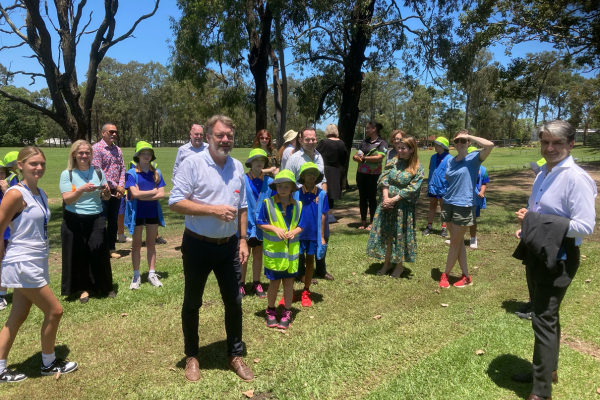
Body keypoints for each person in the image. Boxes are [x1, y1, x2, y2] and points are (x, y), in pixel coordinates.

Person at [511, 121, 596, 400]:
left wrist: (536, 222)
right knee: (544, 315)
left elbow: (584, 227)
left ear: (571, 144)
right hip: (537, 251)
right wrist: (528, 225)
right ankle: (547, 371)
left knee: (543, 318)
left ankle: (542, 391)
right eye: (545, 142)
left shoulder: (576, 177)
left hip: (559, 255)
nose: (550, 148)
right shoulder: (544, 173)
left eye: (557, 143)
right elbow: (540, 210)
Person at [169, 114, 254, 383]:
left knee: (234, 302)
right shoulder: (192, 164)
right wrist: (212, 210)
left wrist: (242, 239)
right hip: (197, 245)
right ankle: (192, 356)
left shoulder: (238, 166)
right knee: (192, 303)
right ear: (208, 137)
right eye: (220, 135)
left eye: (229, 135)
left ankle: (235, 354)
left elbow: (242, 207)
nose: (225, 140)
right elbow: (175, 202)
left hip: (229, 247)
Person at [0, 147, 78, 383]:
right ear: (20, 165)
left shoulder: (42, 194)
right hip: (22, 262)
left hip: (37, 260)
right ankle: (48, 362)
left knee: (17, 316)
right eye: (33, 163)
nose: (39, 168)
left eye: (42, 163)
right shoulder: (15, 194)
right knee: (55, 310)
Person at [60, 140, 115, 303]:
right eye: (80, 153)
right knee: (79, 253)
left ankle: (104, 287)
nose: (84, 155)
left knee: (99, 251)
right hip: (74, 218)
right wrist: (82, 189)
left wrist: (106, 191)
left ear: (91, 154)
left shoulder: (98, 172)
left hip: (96, 216)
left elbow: (105, 197)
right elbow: (67, 200)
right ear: (74, 155)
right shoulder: (67, 174)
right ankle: (83, 290)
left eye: (87, 153)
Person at [439, 130, 494, 289]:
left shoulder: (474, 158)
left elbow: (489, 145)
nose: (460, 144)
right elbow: (449, 178)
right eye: (457, 141)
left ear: (469, 142)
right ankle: (466, 276)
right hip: (448, 202)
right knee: (458, 242)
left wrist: (468, 136)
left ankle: (446, 274)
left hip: (464, 204)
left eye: (463, 141)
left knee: (454, 243)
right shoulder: (451, 160)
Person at [367, 136, 424, 278]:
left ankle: (399, 266)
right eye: (399, 147)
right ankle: (387, 263)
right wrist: (386, 198)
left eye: (403, 148)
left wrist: (394, 199)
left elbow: (413, 188)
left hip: (402, 208)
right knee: (387, 236)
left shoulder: (417, 167)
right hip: (386, 206)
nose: (400, 150)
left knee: (399, 236)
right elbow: (383, 179)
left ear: (412, 150)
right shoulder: (393, 161)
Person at [257, 170, 305, 328]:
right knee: (274, 283)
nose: (283, 189)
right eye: (280, 186)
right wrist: (273, 229)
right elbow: (260, 222)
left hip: (291, 255)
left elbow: (302, 225)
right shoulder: (268, 203)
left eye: (286, 186)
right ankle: (270, 310)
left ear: (292, 188)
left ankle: (287, 311)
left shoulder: (298, 204)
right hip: (275, 256)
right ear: (275, 186)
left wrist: (295, 232)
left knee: (289, 283)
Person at [286, 127, 334, 282]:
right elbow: (287, 180)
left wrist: (323, 196)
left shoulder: (319, 156)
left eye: (313, 139)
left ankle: (321, 269)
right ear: (300, 140)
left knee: (323, 234)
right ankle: (301, 272)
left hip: (318, 201)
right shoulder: (294, 158)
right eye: (307, 139)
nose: (311, 142)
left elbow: (324, 180)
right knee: (302, 236)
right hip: (301, 202)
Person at [124, 141, 166, 290]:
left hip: (152, 212)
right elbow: (135, 194)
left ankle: (152, 273)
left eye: (149, 153)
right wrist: (153, 192)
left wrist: (144, 196)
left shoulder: (157, 172)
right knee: (136, 245)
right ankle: (136, 276)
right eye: (143, 153)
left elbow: (162, 194)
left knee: (151, 244)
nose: (146, 156)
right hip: (137, 214)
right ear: (137, 155)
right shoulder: (131, 173)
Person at [292, 163, 328, 307]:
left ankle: (306, 291)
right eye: (308, 173)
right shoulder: (295, 193)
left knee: (309, 262)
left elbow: (323, 216)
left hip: (313, 234)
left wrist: (322, 236)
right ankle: (291, 291)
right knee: (293, 263)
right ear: (302, 176)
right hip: (297, 235)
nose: (312, 176)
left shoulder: (322, 194)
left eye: (314, 173)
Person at [241, 149, 273, 299]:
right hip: (244, 224)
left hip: (262, 225)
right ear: (250, 162)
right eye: (256, 160)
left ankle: (256, 282)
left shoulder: (270, 182)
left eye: (262, 160)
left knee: (258, 254)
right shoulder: (242, 180)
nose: (259, 163)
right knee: (243, 255)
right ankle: (240, 284)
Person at [92, 123, 126, 259]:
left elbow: (122, 168)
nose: (114, 134)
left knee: (113, 220)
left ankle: (111, 247)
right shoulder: (97, 149)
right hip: (102, 191)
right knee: (101, 220)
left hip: (117, 191)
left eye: (115, 132)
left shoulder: (118, 150)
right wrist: (113, 185)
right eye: (111, 132)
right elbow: (97, 170)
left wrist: (121, 186)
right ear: (103, 133)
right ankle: (100, 247)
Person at [353, 122, 388, 230]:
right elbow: (356, 155)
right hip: (361, 174)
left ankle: (372, 222)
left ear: (374, 129)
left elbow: (379, 158)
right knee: (362, 197)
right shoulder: (364, 142)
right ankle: (363, 221)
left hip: (374, 175)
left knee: (372, 198)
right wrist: (356, 157)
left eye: (368, 128)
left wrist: (364, 158)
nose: (366, 130)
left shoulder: (382, 142)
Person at [316, 124, 348, 223]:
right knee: (332, 193)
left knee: (324, 191)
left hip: (324, 169)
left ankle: (322, 213)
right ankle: (330, 215)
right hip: (337, 169)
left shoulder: (324, 142)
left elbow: (316, 154)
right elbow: (345, 157)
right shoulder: (342, 143)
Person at [422, 137, 451, 238]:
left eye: (437, 144)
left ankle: (444, 228)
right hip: (432, 186)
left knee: (444, 207)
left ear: (443, 146)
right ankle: (429, 226)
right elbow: (431, 170)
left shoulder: (450, 158)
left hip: (444, 187)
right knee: (432, 205)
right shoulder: (433, 157)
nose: (435, 146)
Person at [468, 146, 489, 249]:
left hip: (475, 198)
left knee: (473, 219)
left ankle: (473, 238)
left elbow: (484, 182)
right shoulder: (464, 168)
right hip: (464, 197)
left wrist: (481, 191)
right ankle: (456, 237)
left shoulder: (483, 169)